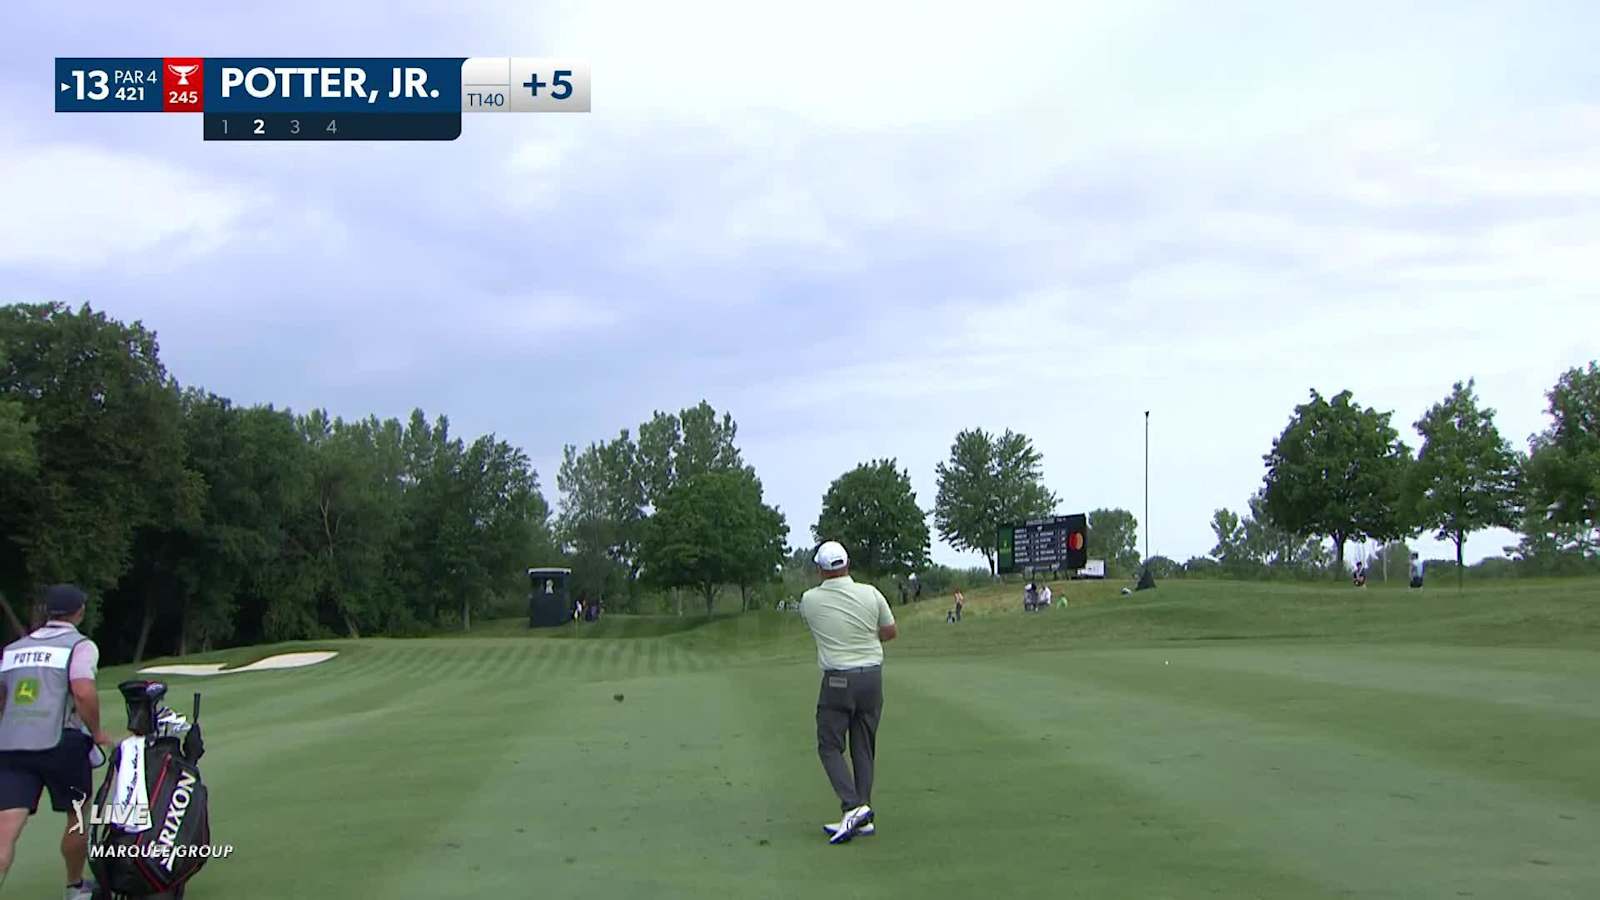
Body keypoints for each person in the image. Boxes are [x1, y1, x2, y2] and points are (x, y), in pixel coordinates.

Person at [0, 585, 110, 900]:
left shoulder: (14, 648)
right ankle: (75, 888)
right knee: (77, 816)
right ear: (79, 612)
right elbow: (83, 691)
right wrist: (98, 732)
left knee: (5, 828)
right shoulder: (79, 645)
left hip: (11, 745)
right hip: (63, 743)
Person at [800, 541, 894, 844]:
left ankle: (853, 806)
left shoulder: (809, 600)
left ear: (819, 570)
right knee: (863, 747)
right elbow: (890, 631)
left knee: (829, 746)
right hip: (872, 678)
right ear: (848, 564)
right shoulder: (871, 593)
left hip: (838, 680)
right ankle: (863, 817)